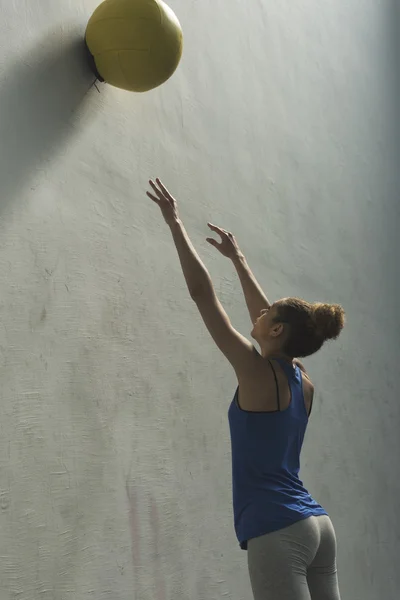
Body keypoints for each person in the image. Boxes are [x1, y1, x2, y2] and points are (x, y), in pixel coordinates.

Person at [146, 178, 344, 600]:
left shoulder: (257, 374)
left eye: (267, 314)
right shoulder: (301, 379)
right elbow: (275, 322)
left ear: (274, 329)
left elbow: (202, 295)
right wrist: (237, 259)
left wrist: (174, 222)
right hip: (318, 528)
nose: (257, 311)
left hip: (278, 529)